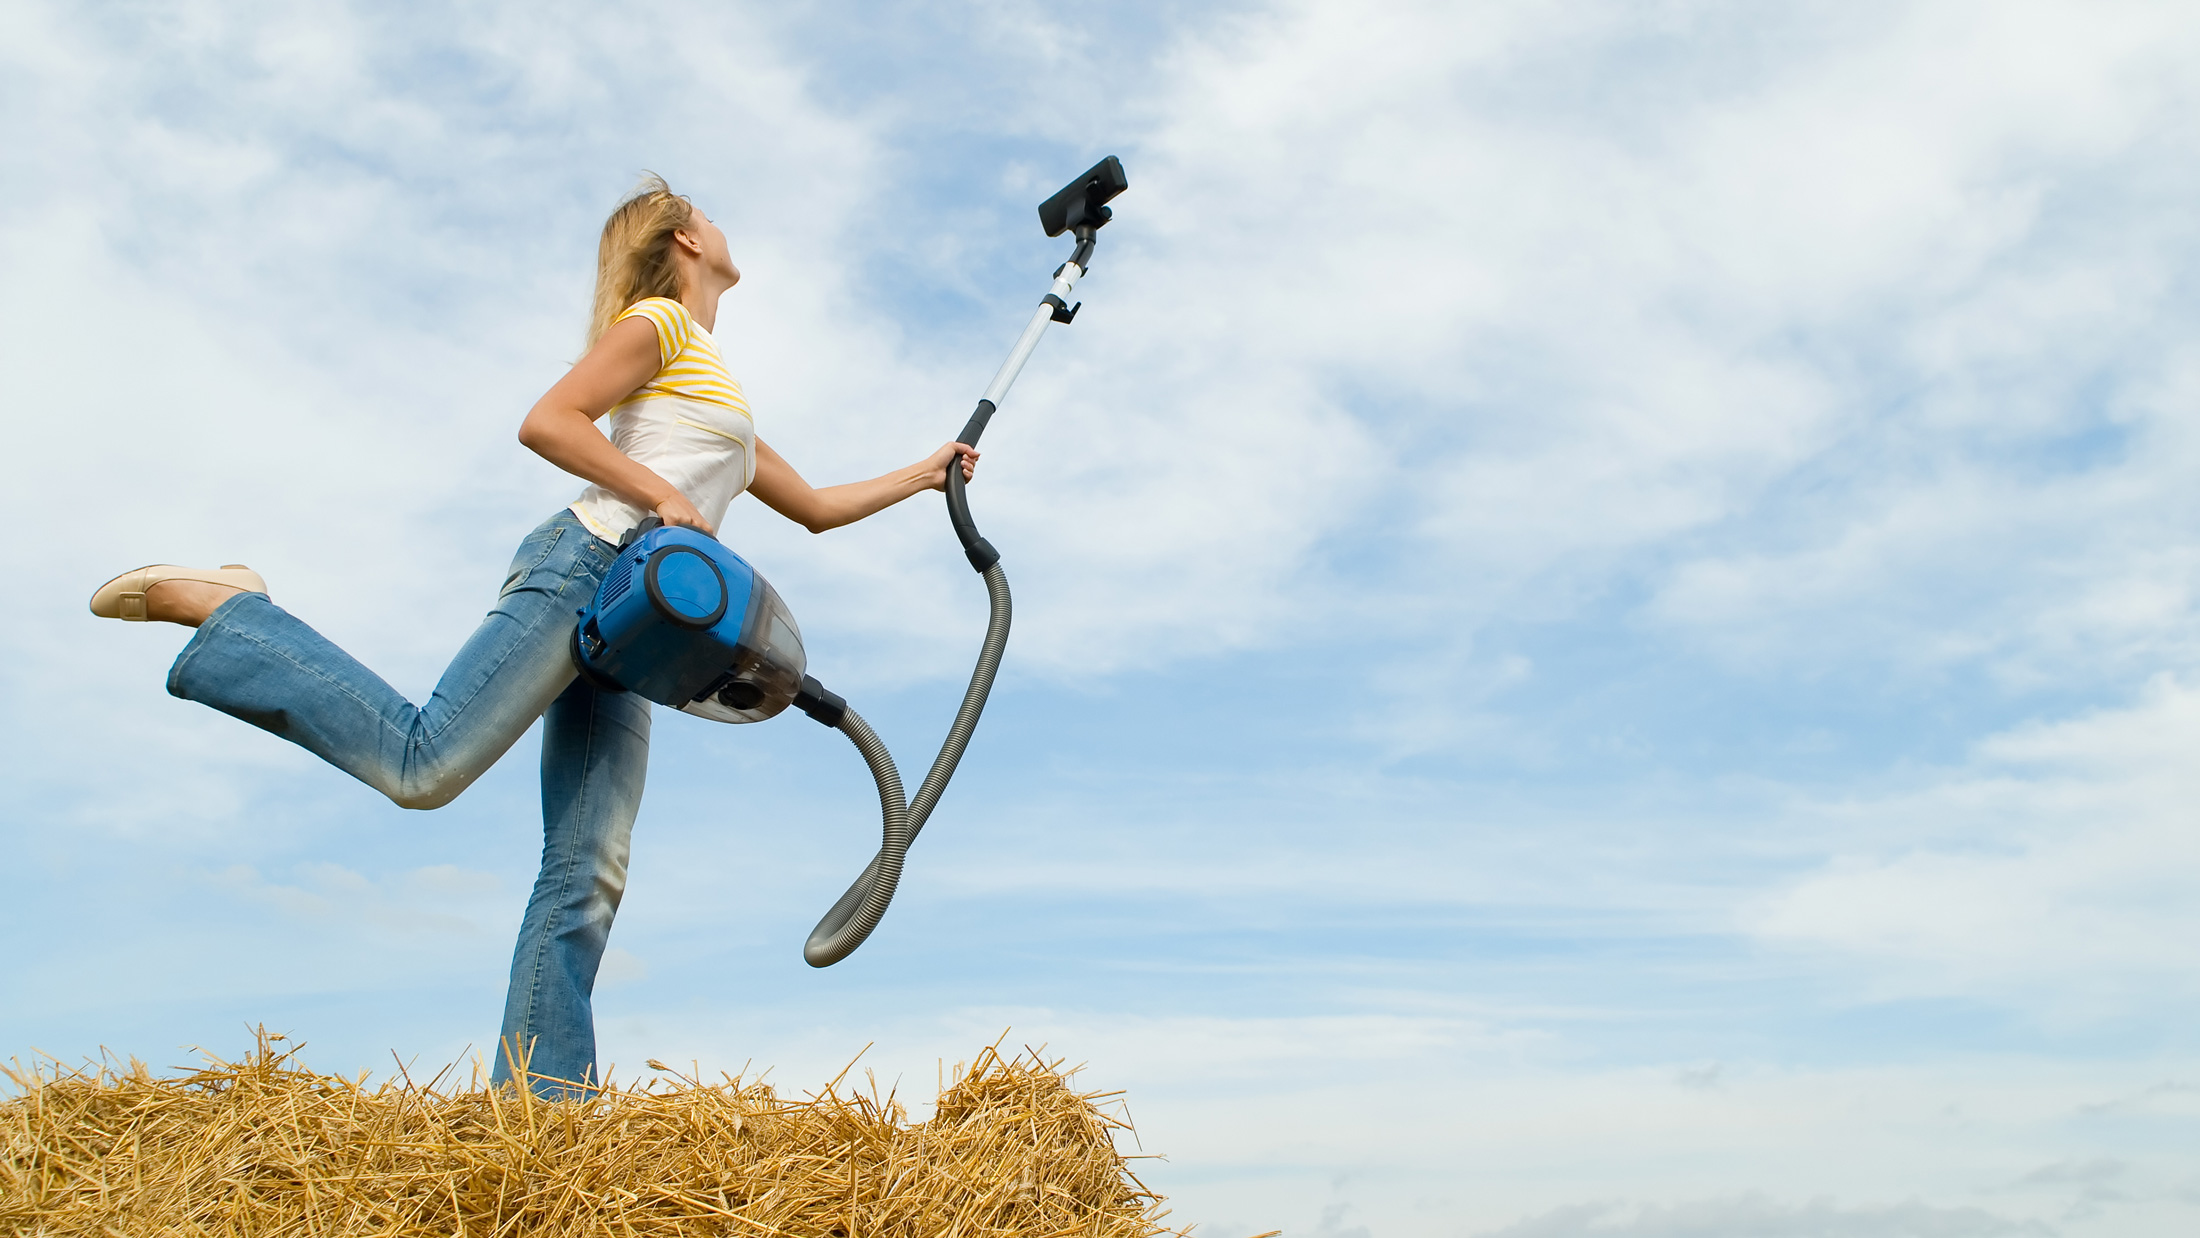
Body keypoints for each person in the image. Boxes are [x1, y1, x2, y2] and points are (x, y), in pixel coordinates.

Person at [88, 175, 978, 1097]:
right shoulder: (659, 326)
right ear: (683, 241)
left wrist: (925, 473)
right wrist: (665, 497)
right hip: (587, 564)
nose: (722, 221)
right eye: (707, 212)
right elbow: (548, 422)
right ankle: (234, 610)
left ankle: (541, 1115)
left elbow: (820, 510)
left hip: (640, 629)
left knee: (590, 865)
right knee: (424, 765)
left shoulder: (720, 389)